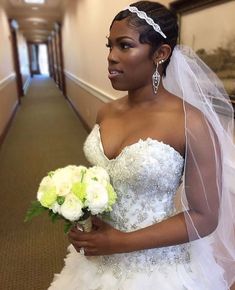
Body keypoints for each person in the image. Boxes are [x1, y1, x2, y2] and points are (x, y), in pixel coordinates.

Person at [48, 1, 235, 289]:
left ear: (160, 54)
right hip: (99, 257)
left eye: (124, 46)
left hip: (156, 267)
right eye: (109, 46)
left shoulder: (191, 123)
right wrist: (87, 216)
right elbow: (108, 181)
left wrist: (121, 242)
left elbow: (205, 217)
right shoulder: (106, 112)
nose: (111, 57)